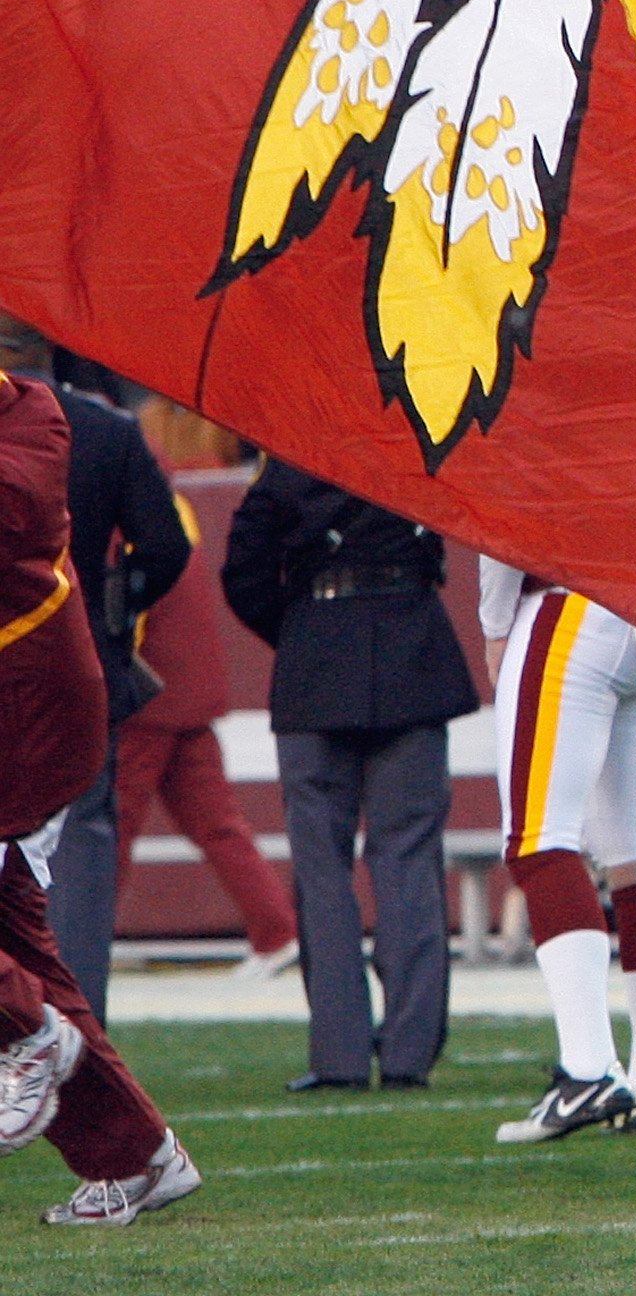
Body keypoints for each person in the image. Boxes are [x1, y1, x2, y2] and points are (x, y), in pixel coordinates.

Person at [0, 373, 197, 1226]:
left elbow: (13, 515)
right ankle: (141, 1158)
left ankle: (30, 1030)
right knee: (21, 944)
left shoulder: (33, 414)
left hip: (30, 712)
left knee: (23, 971)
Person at [219, 459, 476, 1091]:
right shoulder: (417, 448)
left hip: (317, 658)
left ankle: (338, 1055)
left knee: (322, 868)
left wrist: (305, 631)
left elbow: (244, 573)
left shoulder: (289, 463)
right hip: (412, 652)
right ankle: (410, 1053)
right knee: (409, 858)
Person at [480, 555, 636, 1145]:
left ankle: (589, 1068)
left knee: (537, 843)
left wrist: (496, 625)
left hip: (572, 604)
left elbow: (499, 510)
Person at [105, 439, 292, 980]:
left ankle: (83, 938)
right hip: (191, 696)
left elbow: (132, 613)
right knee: (218, 824)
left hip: (148, 703)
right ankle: (276, 932)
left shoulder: (130, 525)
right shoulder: (178, 513)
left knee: (111, 829)